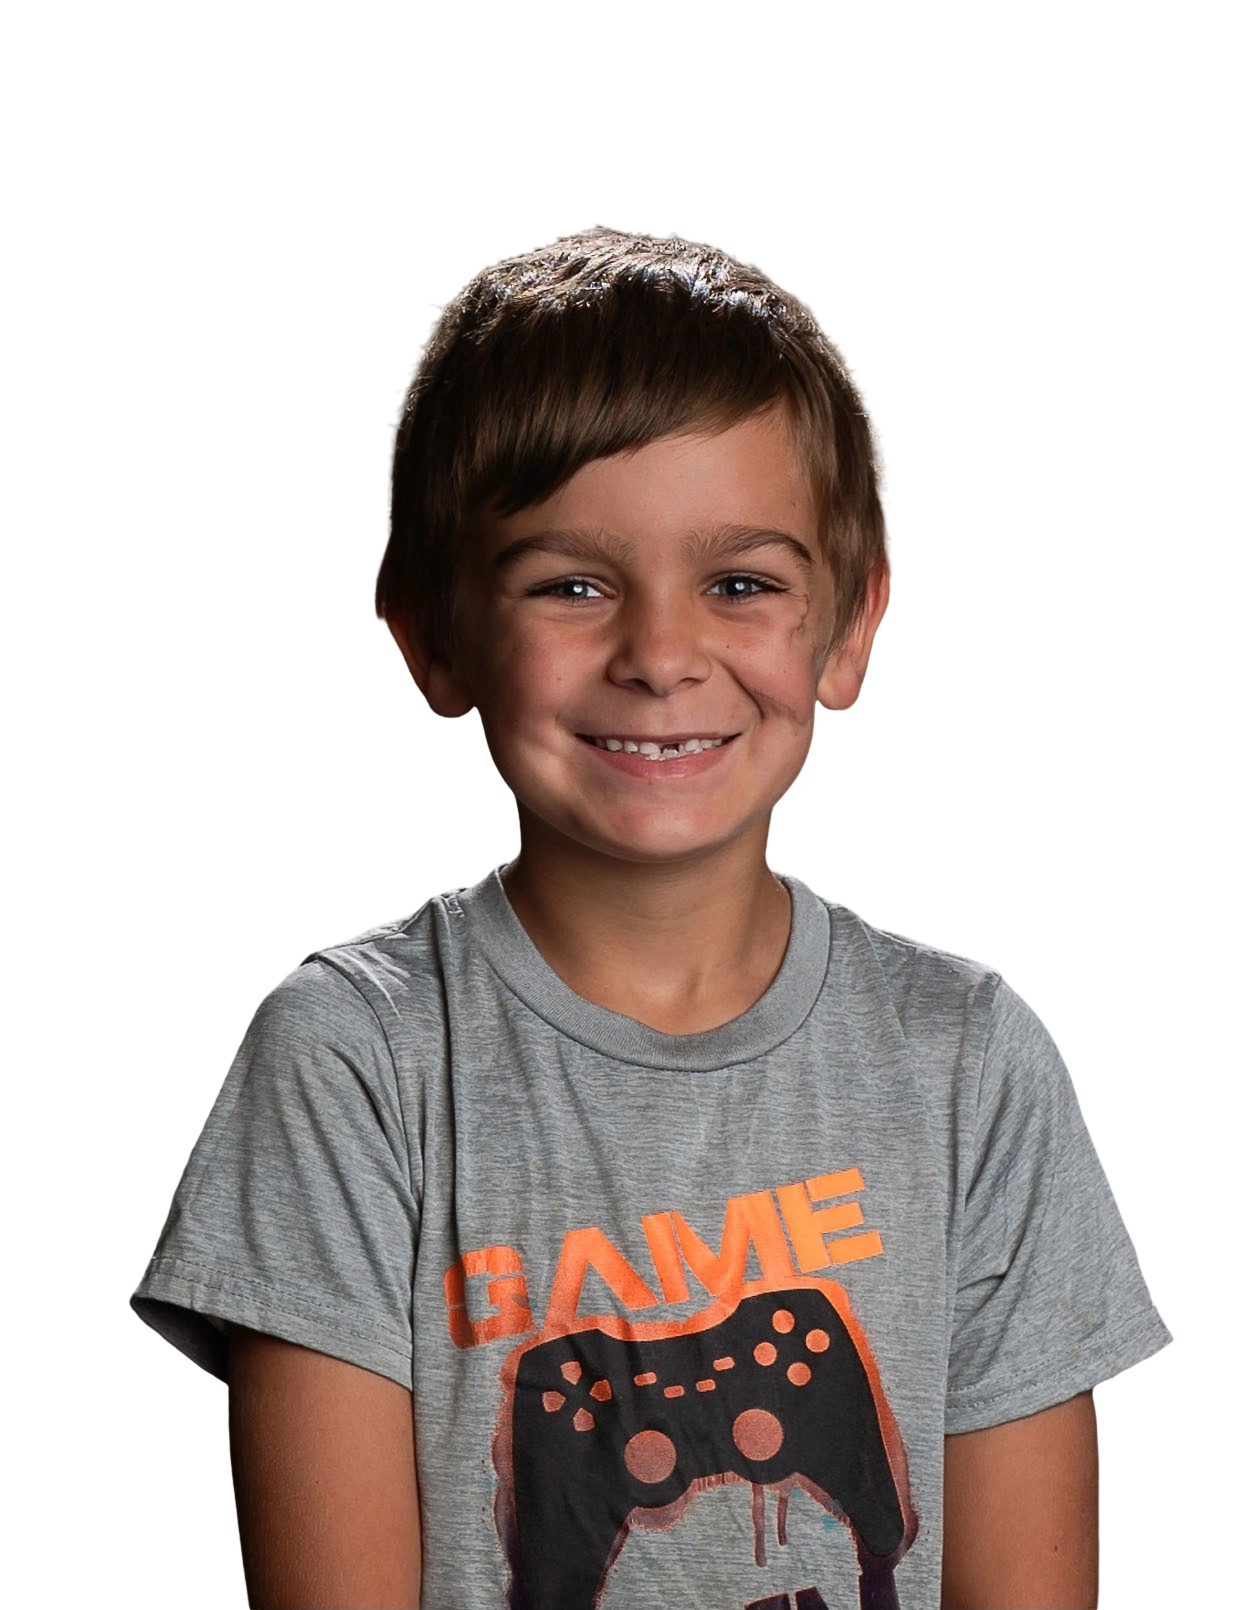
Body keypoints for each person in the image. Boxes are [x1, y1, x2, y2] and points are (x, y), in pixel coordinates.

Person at [128, 224, 1175, 1610]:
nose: (662, 654)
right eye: (571, 584)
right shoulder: (352, 1061)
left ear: (852, 625)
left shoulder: (972, 1062)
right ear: (433, 637)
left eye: (740, 583)